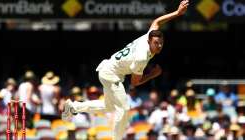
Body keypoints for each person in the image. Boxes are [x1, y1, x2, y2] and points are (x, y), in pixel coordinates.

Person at [62, 1, 189, 139]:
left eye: (161, 43)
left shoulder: (149, 36)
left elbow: (157, 21)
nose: (159, 46)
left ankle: (73, 107)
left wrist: (177, 13)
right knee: (124, 108)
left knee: (109, 106)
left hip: (108, 70)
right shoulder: (142, 57)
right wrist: (152, 75)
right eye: (156, 43)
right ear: (149, 42)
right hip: (111, 74)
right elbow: (135, 83)